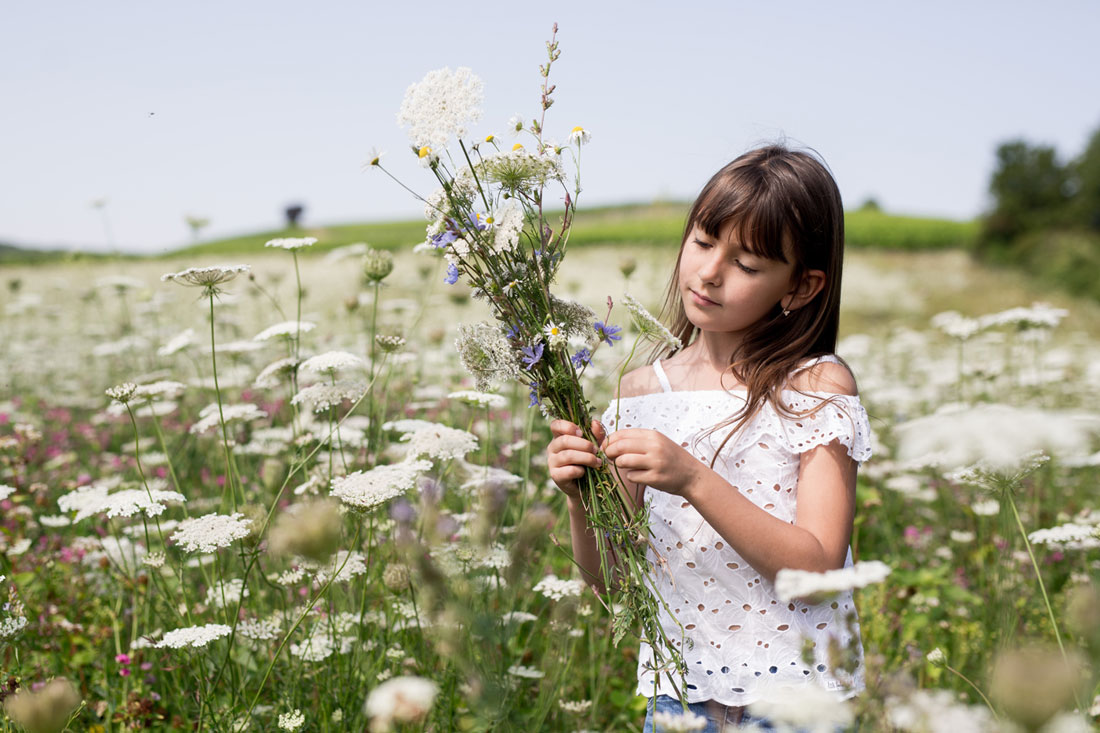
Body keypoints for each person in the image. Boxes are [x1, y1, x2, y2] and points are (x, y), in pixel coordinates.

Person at [546, 144, 872, 732]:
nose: (710, 272)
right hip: (677, 697)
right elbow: (611, 583)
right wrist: (578, 497)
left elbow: (819, 572)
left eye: (747, 265)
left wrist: (693, 478)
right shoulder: (642, 392)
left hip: (795, 701)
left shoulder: (816, 385)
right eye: (702, 241)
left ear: (800, 288)